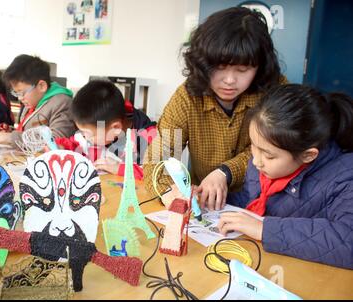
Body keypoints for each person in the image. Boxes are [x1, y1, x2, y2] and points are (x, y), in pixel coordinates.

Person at [143, 7, 283, 210]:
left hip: (266, 205)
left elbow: (278, 149)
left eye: (242, 70)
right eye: (219, 68)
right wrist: (168, 191)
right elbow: (160, 154)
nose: (229, 80)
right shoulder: (187, 97)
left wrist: (225, 172)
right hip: (208, 206)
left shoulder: (275, 91)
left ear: (259, 67)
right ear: (202, 63)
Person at [219, 84, 353, 269]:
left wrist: (265, 230)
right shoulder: (266, 163)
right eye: (253, 146)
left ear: (308, 155)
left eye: (268, 155)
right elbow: (252, 199)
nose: (256, 161)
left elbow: (347, 242)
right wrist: (215, 199)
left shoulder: (345, 177)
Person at [55, 80, 157, 179]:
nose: (84, 136)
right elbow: (75, 143)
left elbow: (158, 172)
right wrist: (60, 147)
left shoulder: (149, 137)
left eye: (88, 134)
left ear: (116, 128)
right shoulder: (101, 124)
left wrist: (120, 168)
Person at [0, 55, 76, 149]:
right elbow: (28, 131)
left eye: (22, 92)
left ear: (41, 86)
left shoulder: (62, 103)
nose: (20, 98)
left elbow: (56, 141)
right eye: (16, 93)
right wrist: (10, 132)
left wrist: (12, 138)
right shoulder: (33, 101)